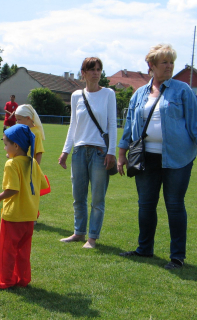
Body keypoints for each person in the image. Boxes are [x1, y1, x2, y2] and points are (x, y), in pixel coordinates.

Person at [117, 44, 197, 269]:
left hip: (177, 158)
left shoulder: (183, 90)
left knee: (175, 205)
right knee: (145, 205)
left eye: (171, 62)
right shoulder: (139, 94)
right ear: (151, 65)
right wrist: (121, 152)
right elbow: (129, 125)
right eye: (164, 62)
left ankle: (177, 257)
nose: (169, 66)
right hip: (145, 158)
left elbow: (196, 121)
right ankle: (144, 249)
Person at [58, 57, 117, 249]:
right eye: (91, 69)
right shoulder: (76, 95)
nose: (96, 73)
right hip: (79, 152)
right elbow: (73, 125)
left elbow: (112, 125)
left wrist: (111, 152)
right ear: (83, 73)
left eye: (99, 69)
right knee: (78, 196)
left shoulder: (108, 94)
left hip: (100, 152)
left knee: (97, 198)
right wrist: (65, 151)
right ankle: (78, 232)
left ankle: (92, 238)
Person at [0, 124, 48, 289]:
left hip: (13, 216)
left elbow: (12, 189)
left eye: (6, 144)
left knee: (6, 250)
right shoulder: (33, 162)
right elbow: (43, 185)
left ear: (16, 145)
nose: (5, 148)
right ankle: (22, 280)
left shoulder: (12, 164)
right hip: (29, 216)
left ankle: (3, 281)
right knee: (23, 252)